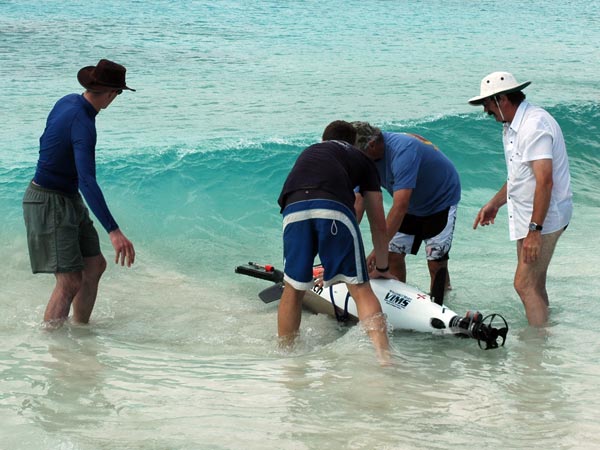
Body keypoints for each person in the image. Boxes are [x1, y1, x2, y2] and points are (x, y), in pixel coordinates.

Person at [22, 59, 136, 326]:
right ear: (109, 93)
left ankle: (80, 332)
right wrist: (113, 230)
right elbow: (87, 180)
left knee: (95, 265)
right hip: (49, 200)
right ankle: (54, 346)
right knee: (69, 280)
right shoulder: (83, 124)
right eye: (118, 93)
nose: (116, 98)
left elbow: (44, 142)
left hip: (65, 196)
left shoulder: (68, 101)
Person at [277, 120, 394, 364]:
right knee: (360, 289)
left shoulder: (310, 152)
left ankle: (286, 358)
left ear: (323, 139)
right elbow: (378, 224)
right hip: (333, 208)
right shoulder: (361, 159)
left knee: (293, 288)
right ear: (353, 144)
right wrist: (382, 267)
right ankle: (385, 360)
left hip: (293, 209)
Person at [468, 71, 573, 327]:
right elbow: (520, 176)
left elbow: (544, 181)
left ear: (502, 99)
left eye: (487, 104)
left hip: (544, 218)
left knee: (524, 284)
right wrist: (495, 203)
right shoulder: (512, 125)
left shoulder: (533, 125)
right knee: (534, 283)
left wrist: (535, 231)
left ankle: (535, 351)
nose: (485, 110)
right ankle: (544, 338)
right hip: (530, 216)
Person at [346, 121, 461, 293]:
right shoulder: (363, 159)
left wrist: (379, 249)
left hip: (440, 200)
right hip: (409, 205)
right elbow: (358, 201)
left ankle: (444, 303)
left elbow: (400, 206)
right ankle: (399, 296)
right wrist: (344, 243)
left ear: (371, 145)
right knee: (392, 256)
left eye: (356, 154)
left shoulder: (403, 150)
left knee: (436, 262)